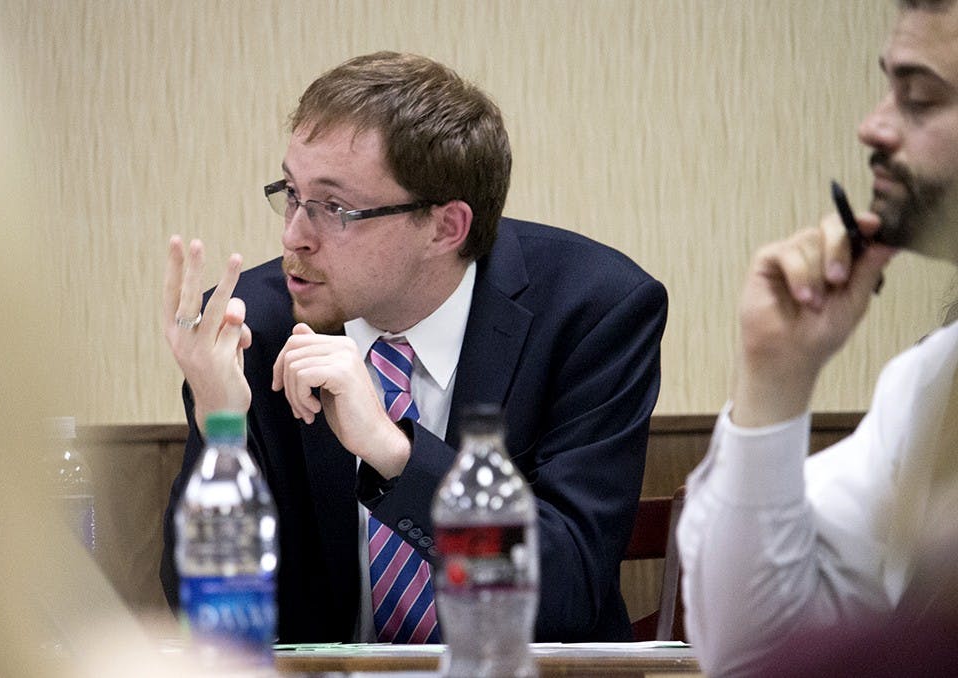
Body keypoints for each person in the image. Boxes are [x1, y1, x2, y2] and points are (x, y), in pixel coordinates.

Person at [160, 51, 668, 644]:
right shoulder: (249, 326)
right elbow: (205, 619)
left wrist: (394, 452)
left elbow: (567, 593)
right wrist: (219, 429)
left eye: (334, 208)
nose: (293, 235)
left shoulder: (591, 312)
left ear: (445, 227)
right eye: (292, 194)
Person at [677, 1, 958, 675]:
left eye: (920, 99)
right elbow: (750, 653)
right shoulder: (933, 382)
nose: (872, 126)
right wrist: (775, 379)